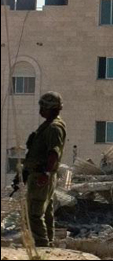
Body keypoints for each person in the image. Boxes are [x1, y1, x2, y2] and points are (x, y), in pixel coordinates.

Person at [23, 91, 67, 247]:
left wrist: (45, 174)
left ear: (51, 108)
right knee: (46, 211)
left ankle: (41, 244)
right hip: (40, 174)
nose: (40, 110)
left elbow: (53, 153)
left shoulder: (54, 127)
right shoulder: (48, 125)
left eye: (43, 107)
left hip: (42, 175)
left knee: (34, 212)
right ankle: (48, 244)